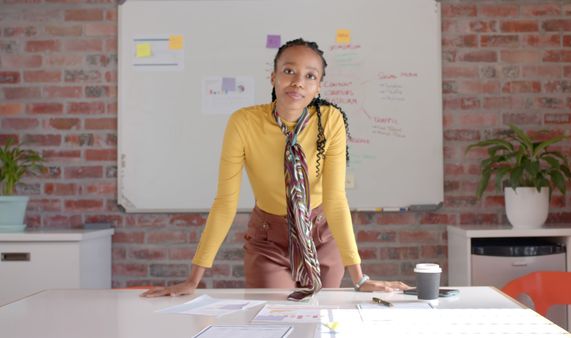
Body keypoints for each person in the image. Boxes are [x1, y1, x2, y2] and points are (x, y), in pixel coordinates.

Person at [142, 38, 409, 300]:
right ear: (273, 77)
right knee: (274, 319)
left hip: (322, 238)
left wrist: (360, 278)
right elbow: (225, 202)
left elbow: (336, 199)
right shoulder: (243, 123)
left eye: (310, 76)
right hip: (269, 240)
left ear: (318, 87)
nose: (298, 82)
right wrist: (193, 279)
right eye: (289, 71)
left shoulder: (330, 121)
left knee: (321, 323)